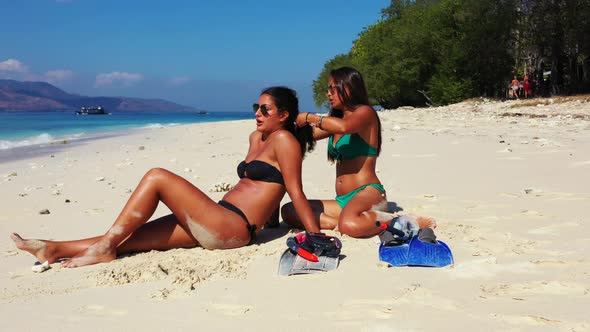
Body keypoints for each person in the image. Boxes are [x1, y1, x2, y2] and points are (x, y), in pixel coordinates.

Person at [11, 86, 319, 268]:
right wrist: (274, 223)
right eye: (256, 107)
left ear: (284, 115)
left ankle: (102, 248)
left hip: (233, 228)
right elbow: (262, 189)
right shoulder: (256, 139)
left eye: (265, 109)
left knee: (157, 176)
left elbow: (295, 192)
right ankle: (53, 248)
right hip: (218, 216)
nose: (258, 113)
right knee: (131, 240)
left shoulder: (285, 141)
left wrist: (316, 235)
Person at [281, 67, 434, 238]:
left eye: (333, 88)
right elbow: (308, 136)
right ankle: (339, 224)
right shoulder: (336, 122)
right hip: (343, 201)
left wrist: (310, 117)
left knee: (350, 225)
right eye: (328, 89)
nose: (328, 94)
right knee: (290, 210)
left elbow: (346, 127)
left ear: (348, 88)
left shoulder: (365, 113)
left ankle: (401, 221)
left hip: (369, 193)